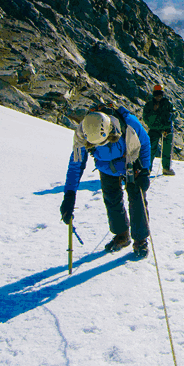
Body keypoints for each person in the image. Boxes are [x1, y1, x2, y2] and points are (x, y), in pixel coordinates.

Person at [60, 105, 153, 258]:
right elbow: (76, 164)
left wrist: (144, 171)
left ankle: (140, 240)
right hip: (106, 167)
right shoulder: (82, 134)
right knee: (111, 198)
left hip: (130, 161)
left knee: (137, 197)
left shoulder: (128, 123)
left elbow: (145, 143)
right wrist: (69, 195)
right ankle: (122, 234)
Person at [143, 84, 176, 176]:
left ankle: (166, 168)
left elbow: (174, 114)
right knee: (151, 149)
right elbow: (146, 118)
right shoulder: (149, 105)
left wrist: (170, 119)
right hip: (155, 129)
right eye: (157, 94)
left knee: (167, 149)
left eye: (160, 94)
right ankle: (147, 169)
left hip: (166, 129)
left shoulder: (167, 103)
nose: (158, 96)